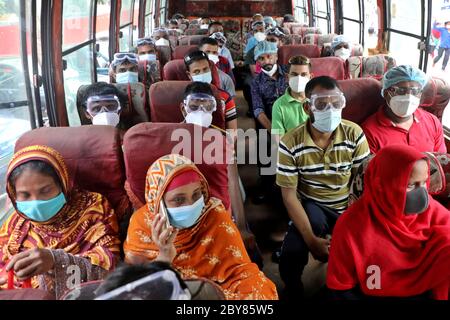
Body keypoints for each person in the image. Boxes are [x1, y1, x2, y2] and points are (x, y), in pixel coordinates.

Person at [123, 154, 278, 300]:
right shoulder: (141, 226)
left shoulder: (213, 214)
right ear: (158, 202)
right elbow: (137, 287)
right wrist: (164, 257)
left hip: (220, 290)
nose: (191, 205)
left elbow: (240, 271)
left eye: (196, 194)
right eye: (179, 199)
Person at [276, 76, 370, 300]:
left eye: (336, 103)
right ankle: (293, 285)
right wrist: (311, 240)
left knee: (367, 248)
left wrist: (354, 222)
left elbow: (363, 183)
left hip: (348, 204)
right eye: (321, 104)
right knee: (292, 250)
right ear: (308, 107)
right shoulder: (290, 142)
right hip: (312, 205)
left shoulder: (354, 134)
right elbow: (289, 196)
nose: (330, 109)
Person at [327, 145, 450, 300]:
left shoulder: (431, 209)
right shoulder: (350, 227)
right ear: (382, 186)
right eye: (410, 185)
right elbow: (340, 288)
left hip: (423, 287)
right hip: (375, 294)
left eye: (424, 182)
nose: (423, 195)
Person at [0, 146, 120, 299]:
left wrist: (55, 261)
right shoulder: (15, 224)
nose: (36, 202)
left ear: (63, 185)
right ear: (13, 194)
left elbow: (110, 268)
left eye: (45, 190)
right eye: (24, 195)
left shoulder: (93, 209)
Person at [362, 65, 446, 154]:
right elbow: (373, 167)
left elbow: (440, 161)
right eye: (401, 91)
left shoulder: (432, 122)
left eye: (414, 91)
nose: (409, 97)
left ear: (420, 94)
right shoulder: (369, 131)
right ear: (386, 93)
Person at [251, 41, 288, 203]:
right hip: (270, 120)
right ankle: (266, 184)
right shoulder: (256, 82)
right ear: (257, 62)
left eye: (269, 56)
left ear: (276, 56)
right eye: (261, 58)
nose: (266, 61)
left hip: (293, 116)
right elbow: (258, 109)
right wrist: (274, 130)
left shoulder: (289, 73)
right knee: (263, 143)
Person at [184, 50, 237, 131]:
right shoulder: (183, 97)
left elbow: (233, 132)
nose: (202, 74)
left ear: (210, 69)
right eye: (196, 72)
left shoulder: (225, 97)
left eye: (205, 69)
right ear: (189, 75)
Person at [272, 55, 312, 141]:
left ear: (310, 77)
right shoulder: (279, 105)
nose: (299, 78)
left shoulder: (319, 101)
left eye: (304, 74)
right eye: (294, 74)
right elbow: (278, 141)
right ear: (287, 77)